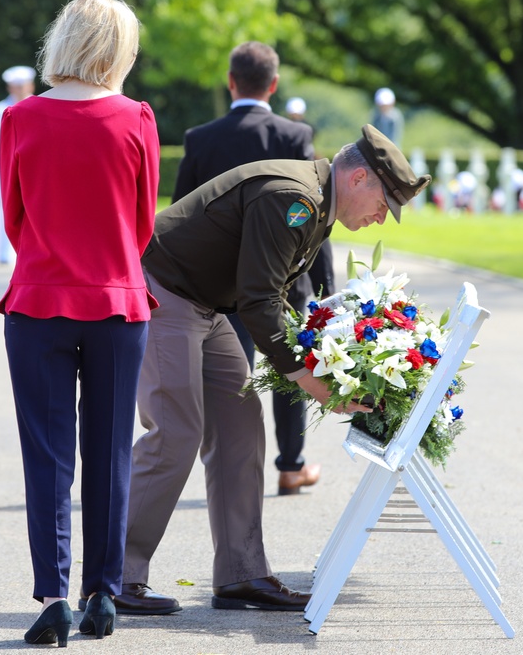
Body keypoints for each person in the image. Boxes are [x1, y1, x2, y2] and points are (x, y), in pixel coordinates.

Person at [118, 125, 430, 616]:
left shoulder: (316, 205)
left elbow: (272, 297)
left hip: (206, 302)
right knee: (175, 430)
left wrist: (328, 360)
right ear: (358, 178)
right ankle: (115, 576)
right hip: (167, 292)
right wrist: (309, 379)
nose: (380, 219)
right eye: (383, 204)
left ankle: (241, 574)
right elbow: (259, 299)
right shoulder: (294, 198)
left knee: (242, 428)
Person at [0, 0, 159, 647]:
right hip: (117, 300)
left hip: (38, 298)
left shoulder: (20, 119)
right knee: (110, 453)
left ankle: (52, 596)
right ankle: (103, 594)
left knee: (47, 457)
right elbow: (144, 220)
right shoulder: (136, 118)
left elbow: (14, 217)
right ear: (119, 50)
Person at [171, 41, 328, 497]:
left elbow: (182, 212)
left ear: (230, 81)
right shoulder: (295, 136)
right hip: (281, 280)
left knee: (231, 379)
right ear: (274, 85)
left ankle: (232, 468)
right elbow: (316, 211)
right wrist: (324, 285)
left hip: (218, 284)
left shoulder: (201, 138)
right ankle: (291, 465)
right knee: (289, 369)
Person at [0, 65, 36, 265]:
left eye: (23, 85)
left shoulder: (41, 106)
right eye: (16, 86)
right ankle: (4, 253)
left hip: (33, 167)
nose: (20, 90)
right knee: (6, 208)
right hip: (5, 166)